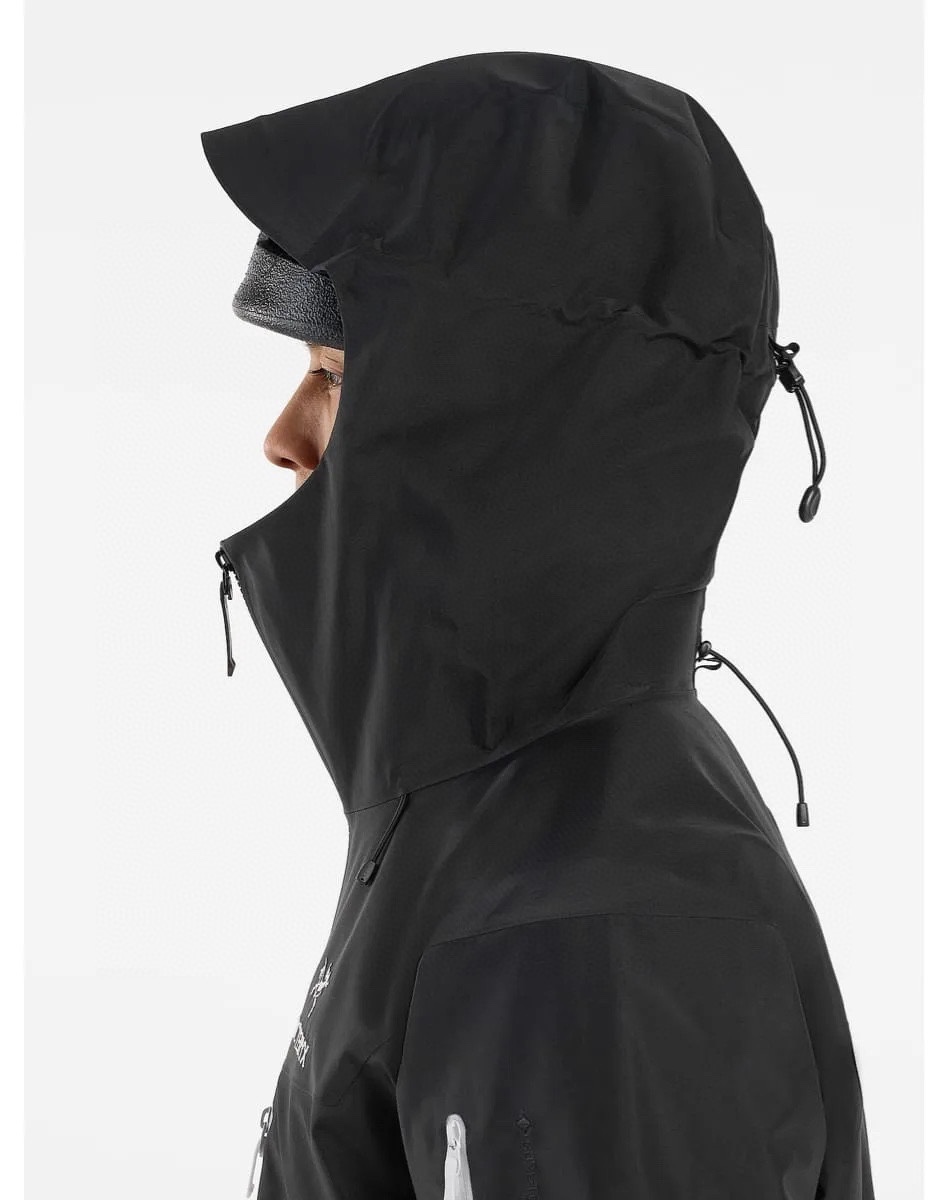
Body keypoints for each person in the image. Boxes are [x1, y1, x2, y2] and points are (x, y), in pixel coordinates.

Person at [202, 50, 875, 1199]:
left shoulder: (581, 925)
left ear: (494, 418)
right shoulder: (506, 810)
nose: (283, 434)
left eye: (335, 375)